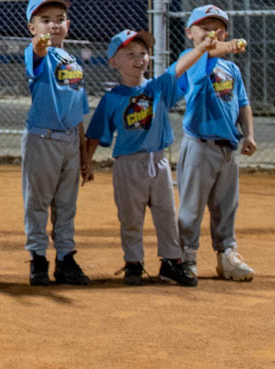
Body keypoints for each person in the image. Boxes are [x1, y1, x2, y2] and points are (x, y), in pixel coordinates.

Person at [83, 30, 226, 287]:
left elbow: (179, 67)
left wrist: (201, 48)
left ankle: (171, 261)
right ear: (113, 62)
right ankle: (134, 262)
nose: (139, 59)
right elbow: (95, 135)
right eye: (130, 55)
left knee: (166, 215)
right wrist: (87, 162)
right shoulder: (112, 98)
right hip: (128, 165)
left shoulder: (158, 88)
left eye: (143, 53)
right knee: (130, 217)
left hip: (158, 163)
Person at [175, 5, 258, 281]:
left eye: (218, 29)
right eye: (205, 28)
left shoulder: (231, 68)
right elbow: (207, 53)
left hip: (228, 147)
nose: (212, 33)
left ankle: (227, 255)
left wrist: (248, 135)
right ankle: (186, 256)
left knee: (226, 206)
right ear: (189, 33)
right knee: (191, 207)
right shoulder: (191, 59)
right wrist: (227, 46)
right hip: (200, 146)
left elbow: (243, 104)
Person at [19, 0, 93, 287]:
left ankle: (65, 258)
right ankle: (38, 257)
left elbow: (78, 112)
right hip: (43, 138)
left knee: (66, 205)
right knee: (37, 202)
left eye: (60, 19)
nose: (54, 25)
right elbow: (37, 53)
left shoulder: (73, 62)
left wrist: (84, 153)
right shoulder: (38, 54)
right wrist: (39, 44)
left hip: (70, 142)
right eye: (45, 20)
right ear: (32, 28)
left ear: (68, 24)